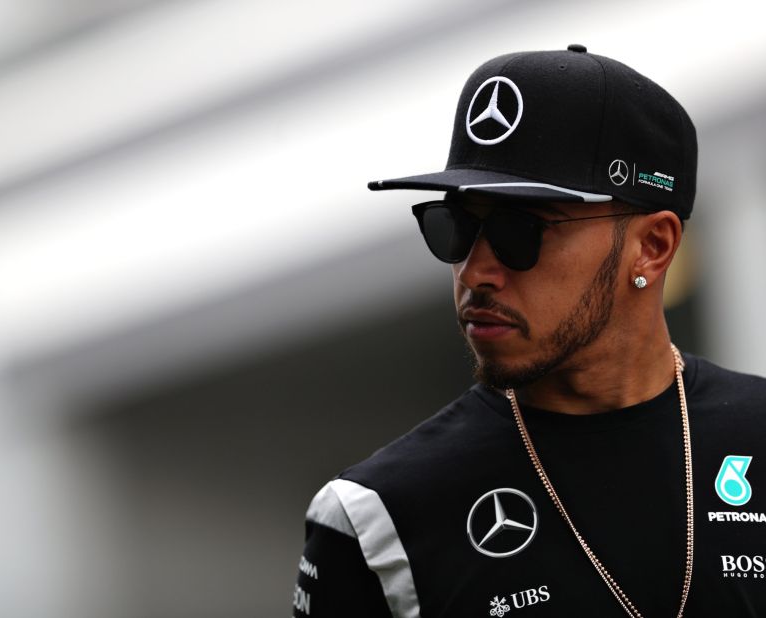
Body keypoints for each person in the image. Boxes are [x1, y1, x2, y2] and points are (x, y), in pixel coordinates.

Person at [291, 45, 766, 617]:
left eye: (522, 231)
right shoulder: (375, 518)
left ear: (652, 247)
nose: (474, 271)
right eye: (457, 227)